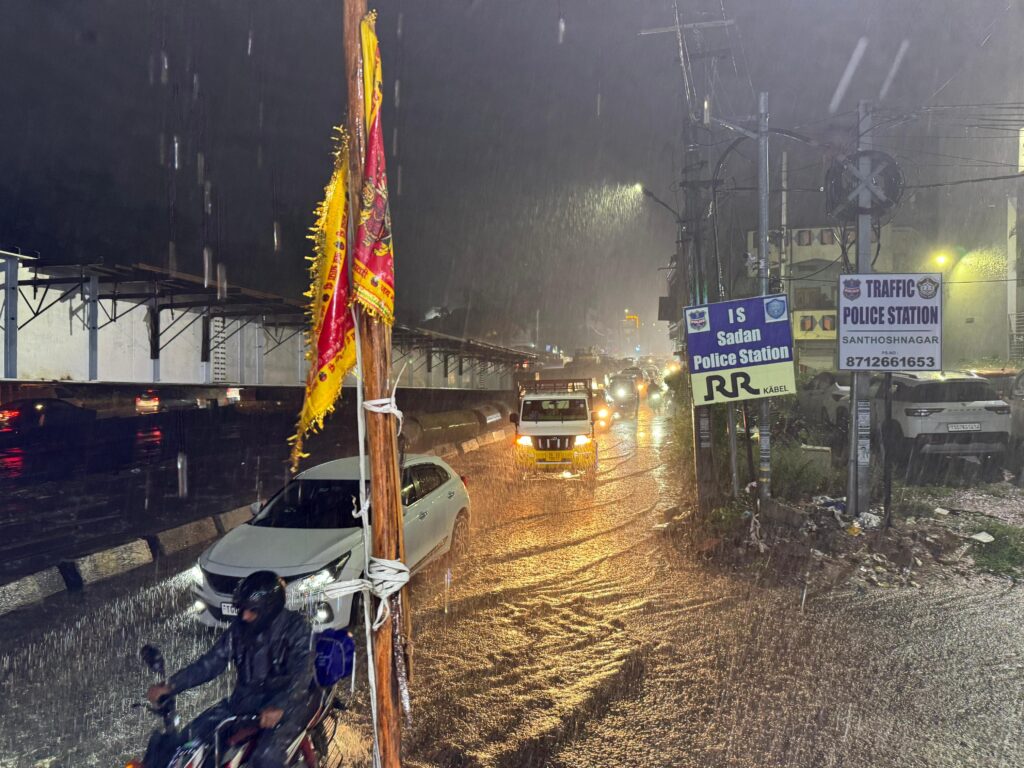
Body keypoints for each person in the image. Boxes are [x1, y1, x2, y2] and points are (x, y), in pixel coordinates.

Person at [146, 571, 313, 768]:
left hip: (287, 705)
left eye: (252, 610)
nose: (245, 615)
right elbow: (211, 663)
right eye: (242, 609)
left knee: (266, 757)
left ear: (269, 609)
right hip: (242, 703)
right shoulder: (239, 630)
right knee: (188, 740)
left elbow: (303, 672)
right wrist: (172, 685)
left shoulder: (296, 629)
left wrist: (281, 706)